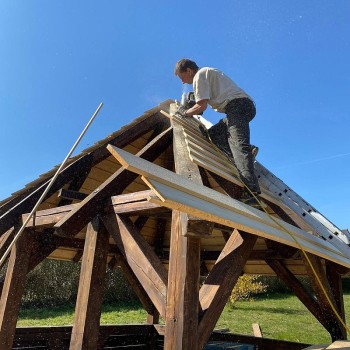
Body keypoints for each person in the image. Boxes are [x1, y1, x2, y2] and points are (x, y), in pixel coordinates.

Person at [174, 58, 262, 208]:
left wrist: (184, 113)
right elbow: (201, 101)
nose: (183, 82)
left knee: (238, 147)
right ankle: (250, 149)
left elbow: (201, 107)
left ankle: (252, 196)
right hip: (240, 107)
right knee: (213, 135)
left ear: (189, 70)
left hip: (237, 107)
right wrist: (192, 102)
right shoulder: (206, 74)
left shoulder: (200, 75)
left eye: (182, 77)